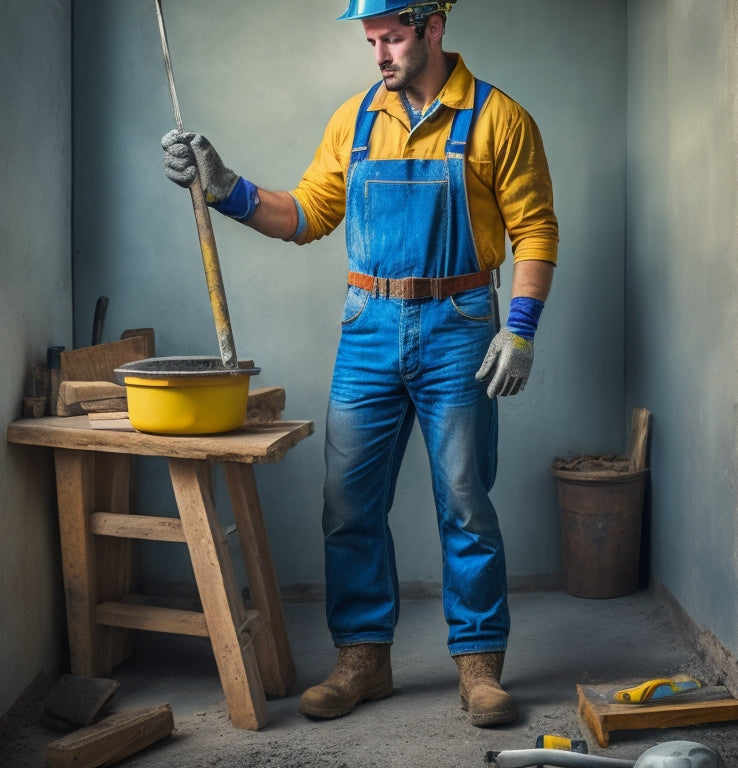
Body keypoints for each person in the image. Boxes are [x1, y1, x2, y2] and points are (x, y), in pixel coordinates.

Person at [162, 0, 558, 728]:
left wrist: (522, 330)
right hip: (368, 327)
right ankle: (362, 661)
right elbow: (307, 215)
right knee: (348, 503)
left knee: (465, 501)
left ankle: (478, 668)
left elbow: (534, 227)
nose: (378, 53)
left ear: (433, 29)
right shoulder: (355, 120)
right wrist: (226, 190)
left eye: (393, 37)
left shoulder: (500, 118)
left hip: (460, 325)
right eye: (371, 38)